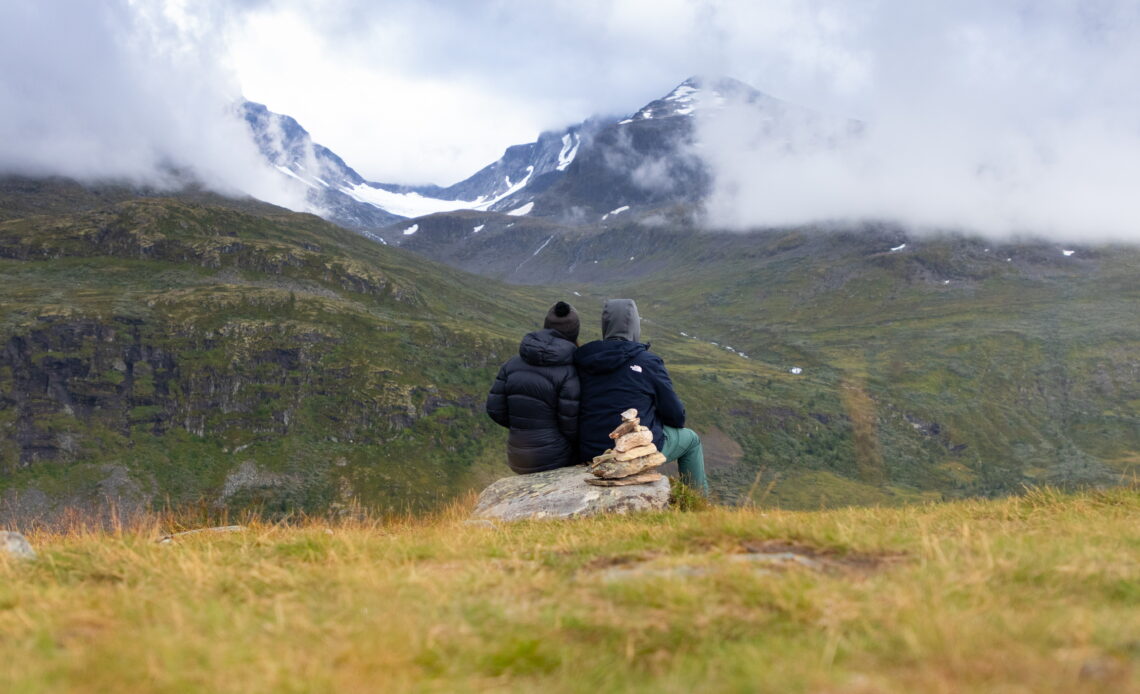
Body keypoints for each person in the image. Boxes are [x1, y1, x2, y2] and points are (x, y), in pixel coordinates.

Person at [574, 298, 709, 494]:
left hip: (590, 449)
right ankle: (699, 501)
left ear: (605, 326)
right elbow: (676, 416)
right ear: (635, 326)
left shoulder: (583, 359)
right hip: (632, 451)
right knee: (691, 440)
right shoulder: (647, 362)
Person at [485, 301, 581, 474]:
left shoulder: (512, 364)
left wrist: (522, 427)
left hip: (517, 457)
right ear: (574, 332)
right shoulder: (570, 371)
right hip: (556, 458)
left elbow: (495, 410)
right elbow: (571, 426)